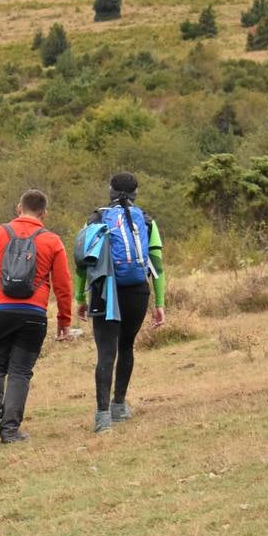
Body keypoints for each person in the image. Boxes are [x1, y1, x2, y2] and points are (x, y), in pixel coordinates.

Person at [0, 190, 72, 443]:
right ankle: (9, 430)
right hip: (34, 313)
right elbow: (63, 285)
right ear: (44, 213)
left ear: (18, 208)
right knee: (20, 371)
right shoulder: (52, 240)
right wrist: (64, 320)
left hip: (1, 310)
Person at [74, 172, 166, 433]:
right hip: (137, 292)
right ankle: (119, 406)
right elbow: (157, 266)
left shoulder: (95, 219)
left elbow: (83, 264)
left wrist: (80, 297)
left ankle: (102, 417)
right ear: (136, 193)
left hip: (104, 291)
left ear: (110, 192)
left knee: (106, 351)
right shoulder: (147, 222)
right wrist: (159, 302)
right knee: (126, 346)